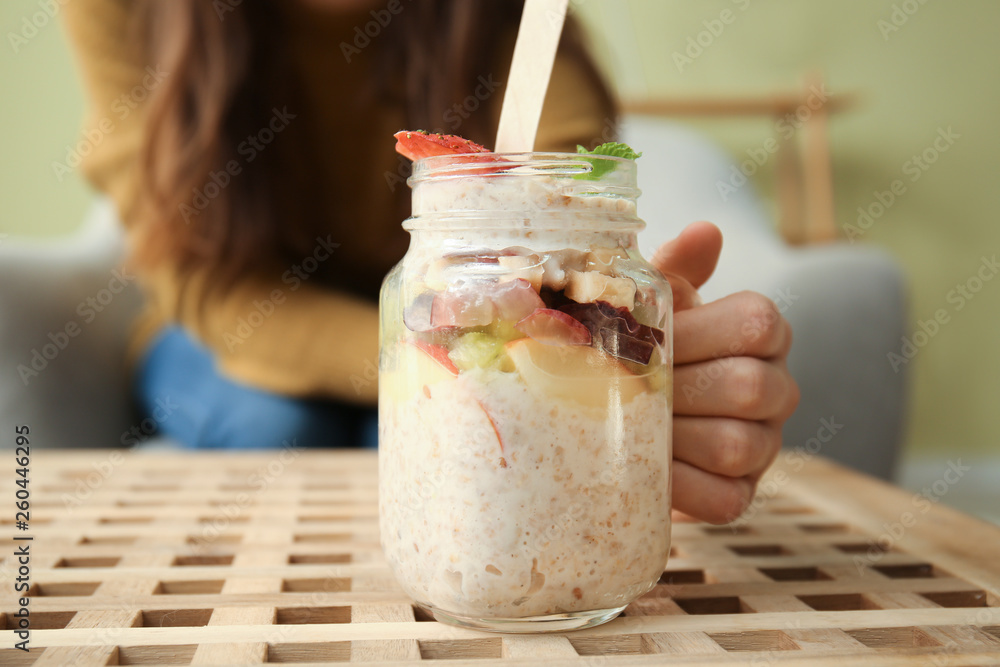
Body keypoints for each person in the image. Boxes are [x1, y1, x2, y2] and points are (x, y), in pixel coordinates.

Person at [61, 0, 798, 524]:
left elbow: (565, 186)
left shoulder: (510, 14)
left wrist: (611, 356)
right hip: (231, 336)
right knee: (279, 423)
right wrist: (440, 367)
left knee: (476, 450)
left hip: (466, 332)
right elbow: (209, 285)